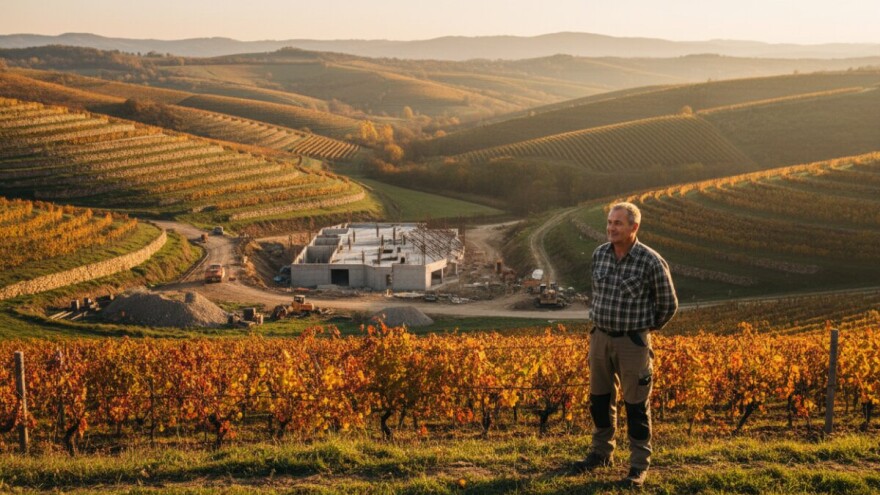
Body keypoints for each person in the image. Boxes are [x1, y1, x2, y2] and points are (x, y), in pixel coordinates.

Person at [574, 201, 678, 488]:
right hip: (600, 338)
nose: (611, 228)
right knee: (599, 400)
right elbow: (597, 293)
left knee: (636, 406)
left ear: (634, 227)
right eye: (609, 222)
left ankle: (637, 466)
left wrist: (644, 329)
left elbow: (669, 304)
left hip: (633, 342)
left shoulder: (651, 261)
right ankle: (600, 453)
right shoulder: (599, 255)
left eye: (618, 223)